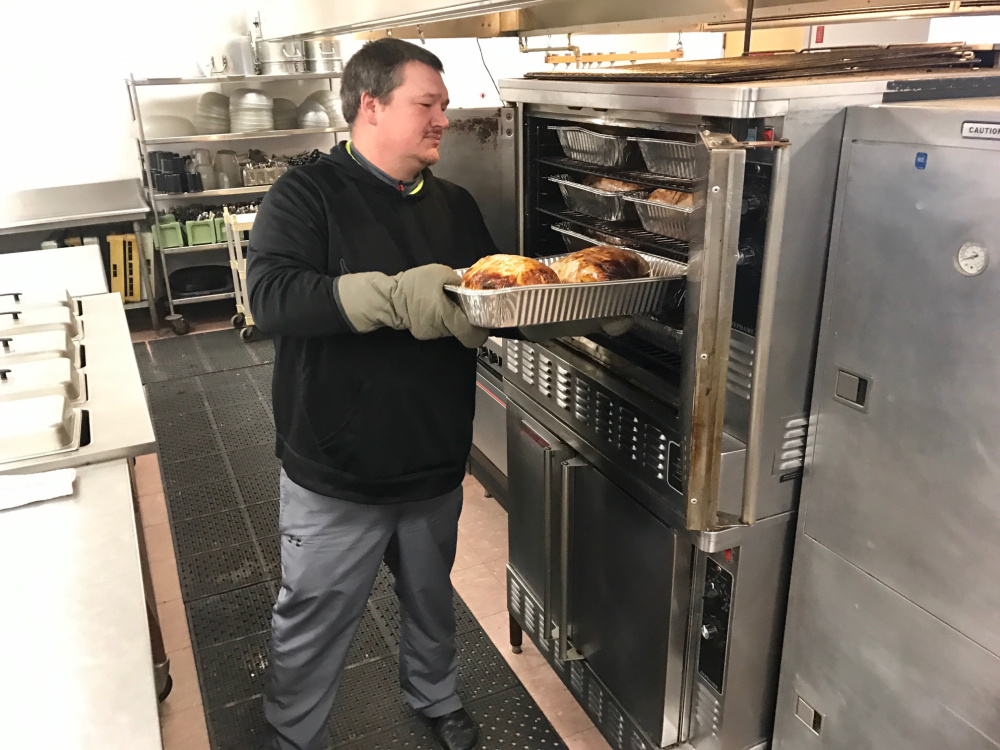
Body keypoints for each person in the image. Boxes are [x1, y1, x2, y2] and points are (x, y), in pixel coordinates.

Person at [246, 38, 494, 750]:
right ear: (371, 105)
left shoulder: (455, 205)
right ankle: (293, 735)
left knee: (430, 598)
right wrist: (388, 296)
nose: (443, 119)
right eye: (428, 104)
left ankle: (435, 693)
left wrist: (571, 308)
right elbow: (273, 298)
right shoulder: (306, 194)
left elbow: (487, 295)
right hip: (337, 466)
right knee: (314, 613)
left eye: (445, 105)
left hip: (432, 457)